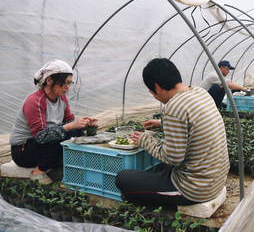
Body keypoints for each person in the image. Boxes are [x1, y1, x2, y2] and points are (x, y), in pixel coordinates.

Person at [116, 58, 229, 206]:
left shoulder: (173, 107)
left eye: (151, 92)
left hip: (194, 190)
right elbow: (193, 123)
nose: (154, 96)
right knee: (159, 169)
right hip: (216, 179)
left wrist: (144, 140)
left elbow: (173, 158)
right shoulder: (200, 93)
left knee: (122, 178)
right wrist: (162, 123)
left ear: (157, 87)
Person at [9, 59, 97, 184]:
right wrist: (70, 126)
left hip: (42, 144)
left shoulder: (61, 98)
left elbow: (69, 122)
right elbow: (40, 137)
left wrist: (84, 124)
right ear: (50, 81)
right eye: (65, 83)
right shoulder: (35, 101)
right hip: (23, 151)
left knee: (75, 133)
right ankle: (38, 172)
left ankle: (57, 165)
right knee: (60, 141)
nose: (67, 88)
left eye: (69, 84)